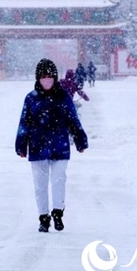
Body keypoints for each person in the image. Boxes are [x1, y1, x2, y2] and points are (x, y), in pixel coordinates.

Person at [15, 59, 88, 233]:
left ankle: (57, 212)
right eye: (43, 77)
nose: (46, 80)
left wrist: (80, 140)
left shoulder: (63, 97)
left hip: (59, 146)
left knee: (58, 180)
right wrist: (21, 144)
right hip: (37, 146)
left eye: (49, 76)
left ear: (55, 78)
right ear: (38, 78)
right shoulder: (31, 99)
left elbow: (73, 120)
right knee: (40, 185)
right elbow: (24, 122)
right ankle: (43, 217)